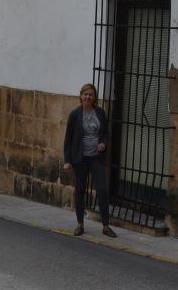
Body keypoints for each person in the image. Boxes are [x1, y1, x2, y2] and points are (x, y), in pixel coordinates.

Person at [63, 83, 116, 238]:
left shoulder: (100, 113)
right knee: (80, 191)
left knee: (102, 190)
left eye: (91, 95)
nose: (88, 97)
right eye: (85, 94)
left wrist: (103, 143)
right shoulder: (75, 115)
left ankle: (106, 226)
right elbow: (68, 139)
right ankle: (80, 224)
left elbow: (105, 133)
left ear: (94, 98)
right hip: (80, 159)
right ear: (81, 96)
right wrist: (67, 160)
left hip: (96, 159)